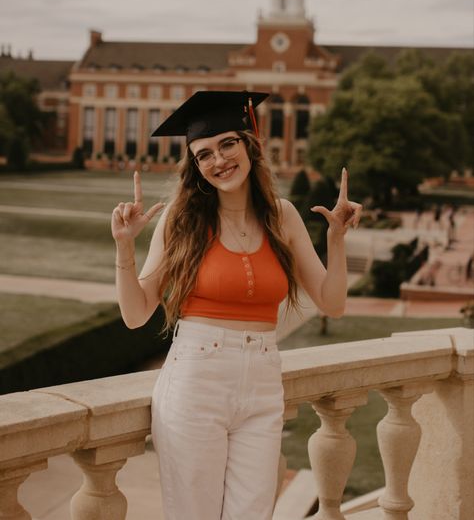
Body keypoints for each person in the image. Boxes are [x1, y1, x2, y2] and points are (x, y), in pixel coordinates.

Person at [111, 90, 362, 520]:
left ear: (249, 144)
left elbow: (332, 302)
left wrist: (336, 240)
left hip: (263, 384)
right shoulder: (181, 220)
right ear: (195, 166)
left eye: (228, 143)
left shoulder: (282, 216)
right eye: (204, 153)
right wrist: (124, 247)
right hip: (195, 382)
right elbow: (136, 315)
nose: (219, 160)